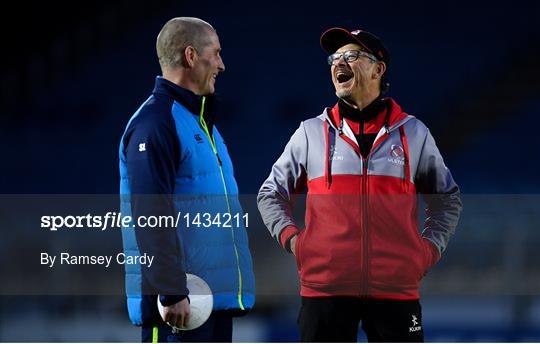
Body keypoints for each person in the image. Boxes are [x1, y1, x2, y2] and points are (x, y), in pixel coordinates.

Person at [257, 27, 462, 342]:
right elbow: (270, 194)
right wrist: (296, 243)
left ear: (378, 68)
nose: (339, 62)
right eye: (335, 58)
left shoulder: (414, 133)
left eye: (351, 56)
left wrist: (426, 252)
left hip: (396, 292)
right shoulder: (310, 133)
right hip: (324, 291)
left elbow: (446, 200)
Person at [119, 17, 255, 342]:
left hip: (209, 304)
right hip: (178, 307)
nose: (222, 65)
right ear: (191, 56)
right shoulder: (156, 123)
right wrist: (171, 291)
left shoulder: (199, 123)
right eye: (217, 53)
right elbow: (150, 215)